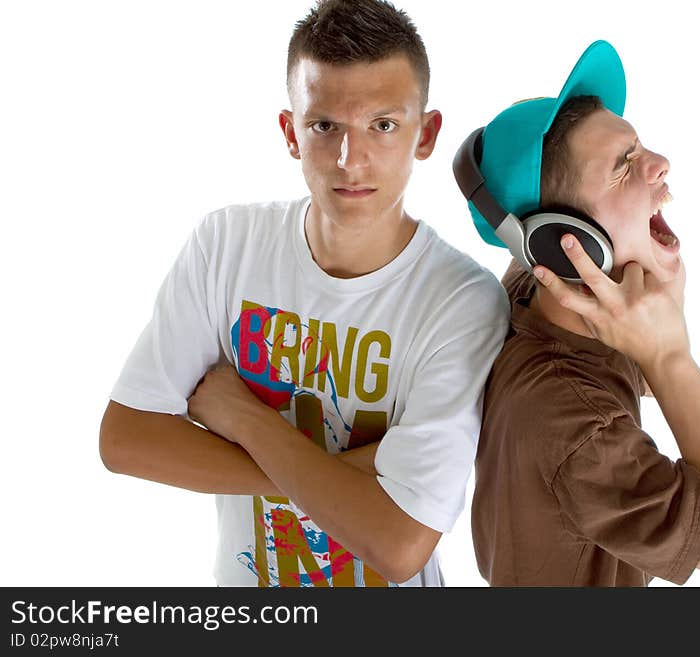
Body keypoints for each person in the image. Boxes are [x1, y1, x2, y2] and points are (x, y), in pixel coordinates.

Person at [99, 0, 509, 587]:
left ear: (427, 134)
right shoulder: (226, 245)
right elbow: (126, 439)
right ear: (292, 132)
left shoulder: (462, 301)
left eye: (383, 125)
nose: (351, 159)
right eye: (325, 126)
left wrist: (244, 419)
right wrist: (353, 483)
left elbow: (399, 546)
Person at [464, 41, 700, 586]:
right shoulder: (576, 427)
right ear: (561, 243)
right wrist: (670, 357)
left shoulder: (532, 295)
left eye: (638, 146)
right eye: (623, 168)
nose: (659, 164)